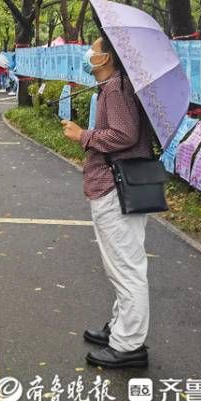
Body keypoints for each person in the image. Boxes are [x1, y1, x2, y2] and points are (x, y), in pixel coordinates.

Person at [61, 35, 153, 369]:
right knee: (122, 264)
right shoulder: (113, 87)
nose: (89, 53)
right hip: (118, 186)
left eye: (95, 48)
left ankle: (129, 345)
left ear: (107, 58)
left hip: (116, 188)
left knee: (126, 268)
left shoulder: (116, 88)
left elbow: (124, 135)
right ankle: (120, 327)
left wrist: (82, 136)